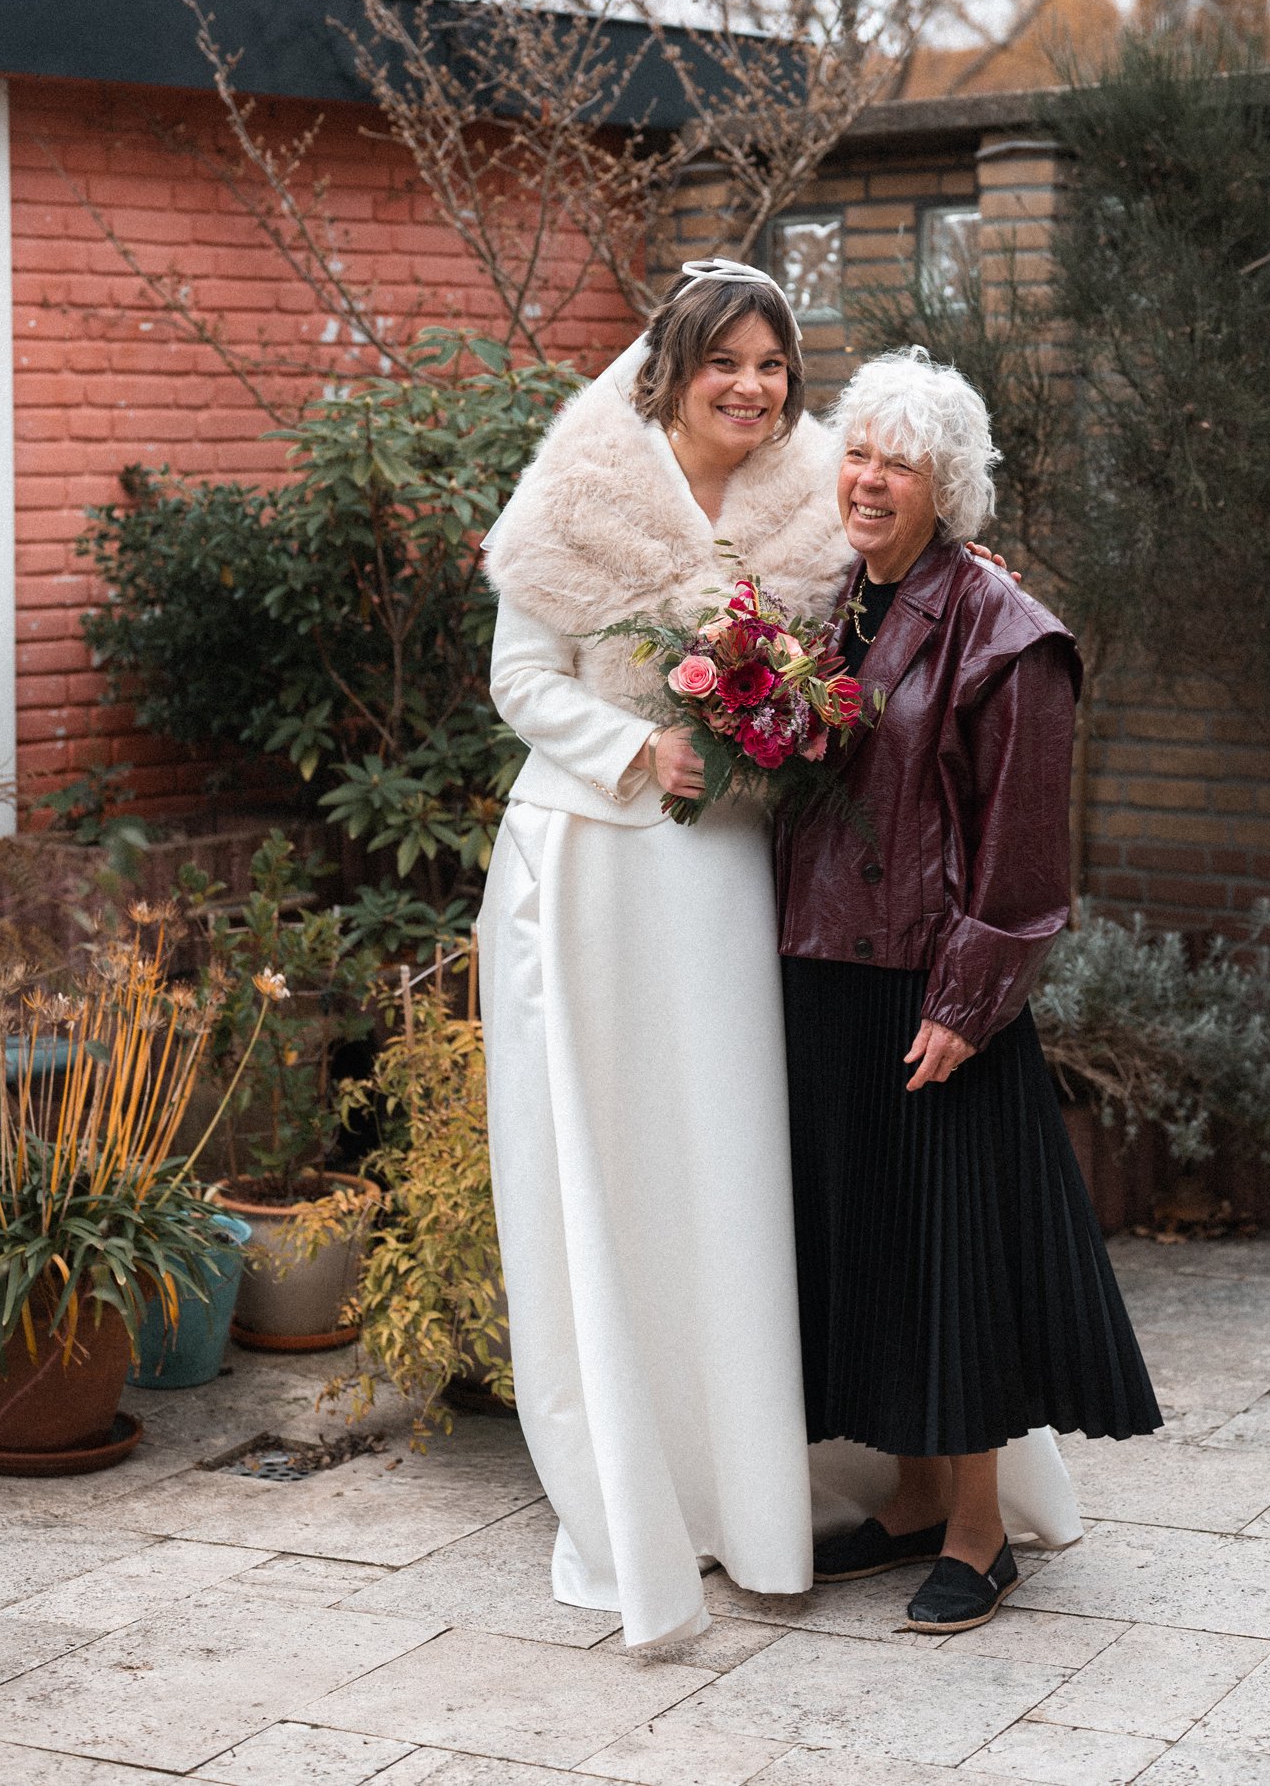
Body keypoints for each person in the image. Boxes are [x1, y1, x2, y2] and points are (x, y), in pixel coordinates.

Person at [476, 258, 850, 1648]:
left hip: (731, 875)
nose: (755, 388)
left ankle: (757, 1484)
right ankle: (643, 1492)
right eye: (728, 364)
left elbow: (862, 652)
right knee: (617, 1169)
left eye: (775, 365)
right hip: (592, 867)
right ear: (674, 368)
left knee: (733, 1165)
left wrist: (789, 722)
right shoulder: (580, 492)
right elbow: (520, 684)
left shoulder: (815, 504)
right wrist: (641, 746)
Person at [778, 346, 1162, 1637]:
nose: (871, 478)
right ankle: (904, 1501)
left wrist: (968, 1000)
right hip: (828, 964)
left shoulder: (1011, 632)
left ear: (952, 486)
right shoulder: (842, 602)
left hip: (934, 990)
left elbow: (1026, 857)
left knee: (955, 1263)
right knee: (873, 1248)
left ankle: (982, 1530)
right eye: (860, 451)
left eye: (902, 460)